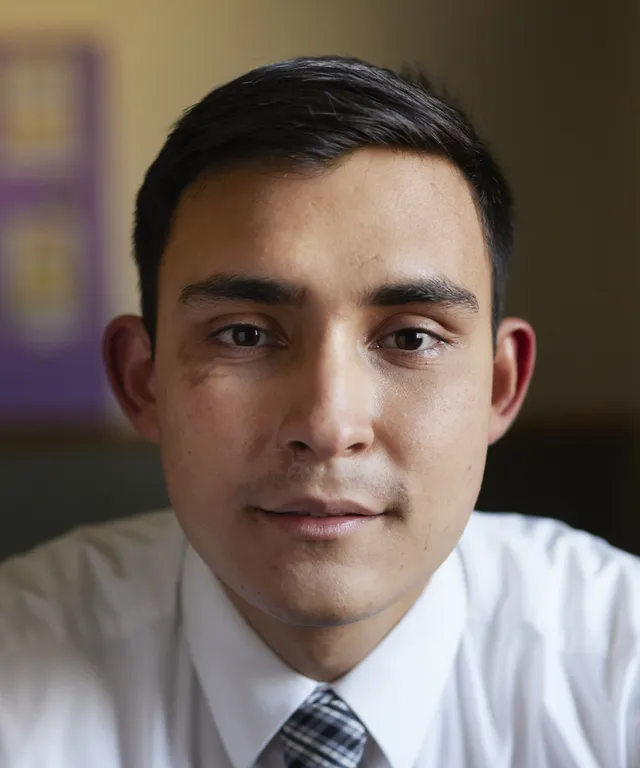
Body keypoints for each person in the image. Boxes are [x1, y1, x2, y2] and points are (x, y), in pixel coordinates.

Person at [0, 56, 638, 768]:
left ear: (499, 386)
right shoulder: (15, 685)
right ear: (143, 382)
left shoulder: (619, 671)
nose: (330, 427)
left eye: (411, 338)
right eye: (244, 335)